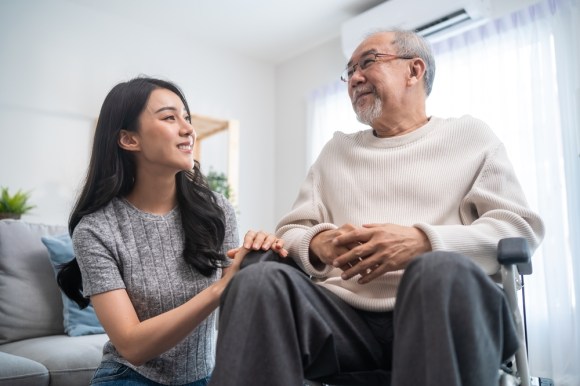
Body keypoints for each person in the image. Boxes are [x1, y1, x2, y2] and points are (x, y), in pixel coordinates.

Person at [208, 29, 545, 386]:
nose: (354, 78)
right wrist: (319, 244)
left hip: (442, 310)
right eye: (349, 71)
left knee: (438, 271)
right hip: (345, 323)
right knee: (258, 280)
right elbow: (289, 231)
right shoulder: (336, 152)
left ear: (414, 71)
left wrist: (423, 242)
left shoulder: (471, 137)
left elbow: (519, 229)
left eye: (367, 62)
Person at [56, 76, 287, 386]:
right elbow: (131, 345)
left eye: (187, 118)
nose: (188, 129)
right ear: (129, 139)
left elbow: (240, 306)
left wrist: (259, 259)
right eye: (169, 117)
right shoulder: (96, 230)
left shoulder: (216, 210)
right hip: (130, 376)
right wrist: (218, 289)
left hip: (206, 375)